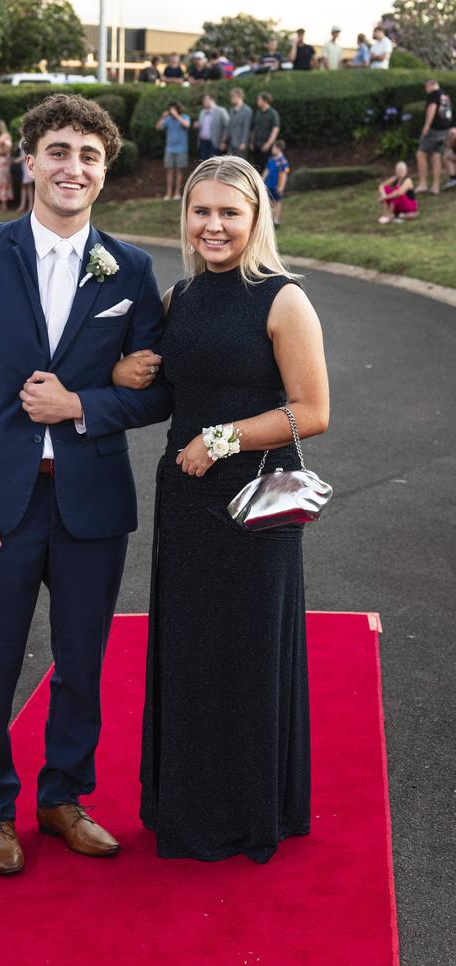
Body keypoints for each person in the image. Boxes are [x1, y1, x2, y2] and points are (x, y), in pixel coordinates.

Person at [0, 93, 170, 876]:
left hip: (90, 501)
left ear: (104, 172)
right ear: (30, 161)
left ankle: (64, 796)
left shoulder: (130, 268)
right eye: (59, 152)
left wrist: (83, 405)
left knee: (82, 661)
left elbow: (159, 390)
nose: (74, 168)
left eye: (89, 156)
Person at [112, 154, 329, 863]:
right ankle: (191, 806)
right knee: (190, 652)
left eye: (230, 213)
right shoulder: (179, 298)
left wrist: (223, 437)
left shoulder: (283, 298)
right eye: (201, 211)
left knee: (246, 652)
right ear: (186, 217)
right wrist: (122, 373)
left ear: (256, 219)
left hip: (254, 503)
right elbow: (169, 393)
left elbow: (314, 410)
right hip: (187, 500)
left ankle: (247, 812)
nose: (214, 225)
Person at [416, 79, 453, 194]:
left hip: (434, 130)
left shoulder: (433, 94)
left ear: (430, 86)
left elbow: (432, 107)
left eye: (426, 88)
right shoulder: (445, 96)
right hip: (445, 130)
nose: (426, 91)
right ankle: (435, 187)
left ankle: (423, 184)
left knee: (421, 154)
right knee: (436, 156)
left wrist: (426, 125)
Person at [157, 101, 191, 199]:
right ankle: (168, 192)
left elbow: (187, 125)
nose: (171, 111)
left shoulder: (184, 117)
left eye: (174, 109)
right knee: (170, 171)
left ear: (178, 109)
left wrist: (176, 116)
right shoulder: (168, 119)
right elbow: (158, 127)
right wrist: (162, 117)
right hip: (169, 149)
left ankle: (177, 193)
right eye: (170, 109)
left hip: (181, 149)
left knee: (179, 171)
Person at [263, 138, 290, 226]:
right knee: (268, 202)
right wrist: (262, 178)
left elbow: (284, 175)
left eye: (273, 148)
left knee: (277, 202)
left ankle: (276, 221)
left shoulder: (283, 162)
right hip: (268, 185)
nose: (272, 149)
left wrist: (281, 187)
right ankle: (267, 220)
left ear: (278, 149)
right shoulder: (271, 159)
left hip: (276, 186)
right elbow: (267, 169)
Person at [251, 91, 280, 170]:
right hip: (256, 145)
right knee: (256, 167)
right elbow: (254, 128)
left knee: (265, 168)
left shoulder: (273, 113)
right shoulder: (258, 112)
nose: (257, 101)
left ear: (265, 101)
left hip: (266, 146)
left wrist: (268, 144)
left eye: (259, 99)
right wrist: (252, 142)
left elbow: (275, 130)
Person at [194, 93, 229, 160]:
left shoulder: (221, 111)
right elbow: (201, 125)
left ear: (212, 100)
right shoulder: (202, 112)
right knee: (203, 163)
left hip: (215, 143)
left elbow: (227, 127)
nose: (203, 102)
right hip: (202, 142)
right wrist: (197, 125)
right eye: (203, 100)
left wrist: (224, 141)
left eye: (205, 100)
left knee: (213, 164)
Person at [225, 87, 252, 156]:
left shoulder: (247, 110)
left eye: (233, 97)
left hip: (240, 143)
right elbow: (229, 126)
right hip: (231, 143)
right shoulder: (231, 110)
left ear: (239, 96)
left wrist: (244, 142)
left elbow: (246, 127)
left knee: (240, 164)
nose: (231, 99)